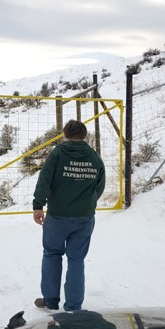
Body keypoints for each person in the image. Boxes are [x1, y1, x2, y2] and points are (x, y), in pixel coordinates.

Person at [32, 119, 105, 311]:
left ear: (65, 134)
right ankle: (73, 305)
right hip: (85, 217)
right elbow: (100, 186)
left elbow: (44, 180)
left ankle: (50, 300)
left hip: (57, 216)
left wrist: (38, 205)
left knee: (51, 254)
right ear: (84, 135)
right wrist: (86, 203)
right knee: (76, 259)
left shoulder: (57, 154)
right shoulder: (94, 157)